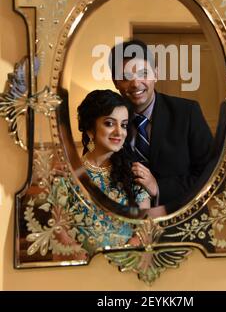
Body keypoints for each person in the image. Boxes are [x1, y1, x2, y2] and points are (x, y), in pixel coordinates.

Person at [109, 39, 214, 213]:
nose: (135, 83)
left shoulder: (187, 113)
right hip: (127, 227)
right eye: (126, 77)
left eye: (143, 73)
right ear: (115, 82)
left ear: (156, 74)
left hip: (185, 223)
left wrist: (159, 188)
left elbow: (212, 176)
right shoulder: (108, 119)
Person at [73, 89, 150, 249]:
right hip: (82, 269)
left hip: (127, 265)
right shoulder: (69, 175)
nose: (119, 132)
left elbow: (145, 228)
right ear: (90, 129)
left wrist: (121, 258)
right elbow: (60, 233)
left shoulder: (133, 172)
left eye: (123, 125)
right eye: (109, 123)